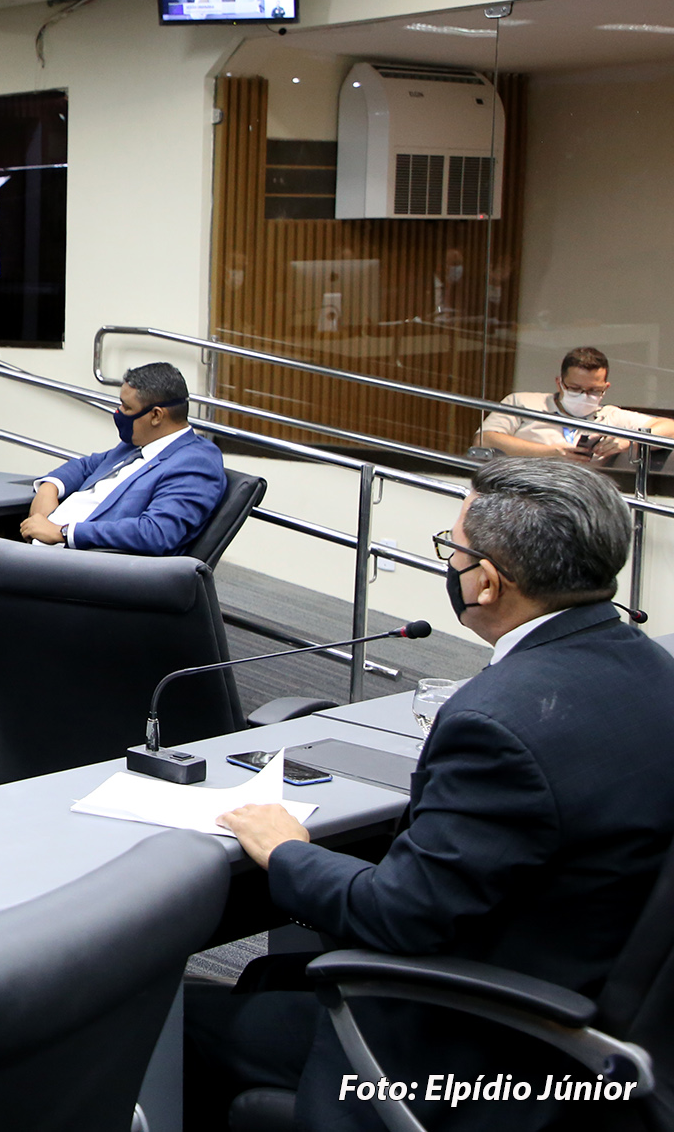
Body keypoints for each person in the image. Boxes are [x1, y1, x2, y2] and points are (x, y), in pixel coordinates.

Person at [192, 458, 674, 1131]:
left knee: (176, 1021)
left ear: (487, 581)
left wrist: (287, 849)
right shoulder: (655, 669)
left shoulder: (497, 720)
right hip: (587, 1002)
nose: (451, 563)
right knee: (263, 980)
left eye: (455, 549)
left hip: (474, 1054)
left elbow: (399, 916)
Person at [20, 362, 225, 554]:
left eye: (126, 407)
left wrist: (63, 532)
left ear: (156, 416)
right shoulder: (137, 444)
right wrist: (49, 488)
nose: (119, 413)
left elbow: (156, 532)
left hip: (83, 564)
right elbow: (85, 466)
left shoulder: (196, 463)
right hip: (41, 546)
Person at [478, 346, 674, 463]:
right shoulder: (522, 402)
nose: (584, 396)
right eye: (575, 388)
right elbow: (485, 439)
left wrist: (628, 442)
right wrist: (552, 453)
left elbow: (669, 428)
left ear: (606, 387)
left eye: (594, 390)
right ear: (559, 383)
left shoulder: (611, 415)